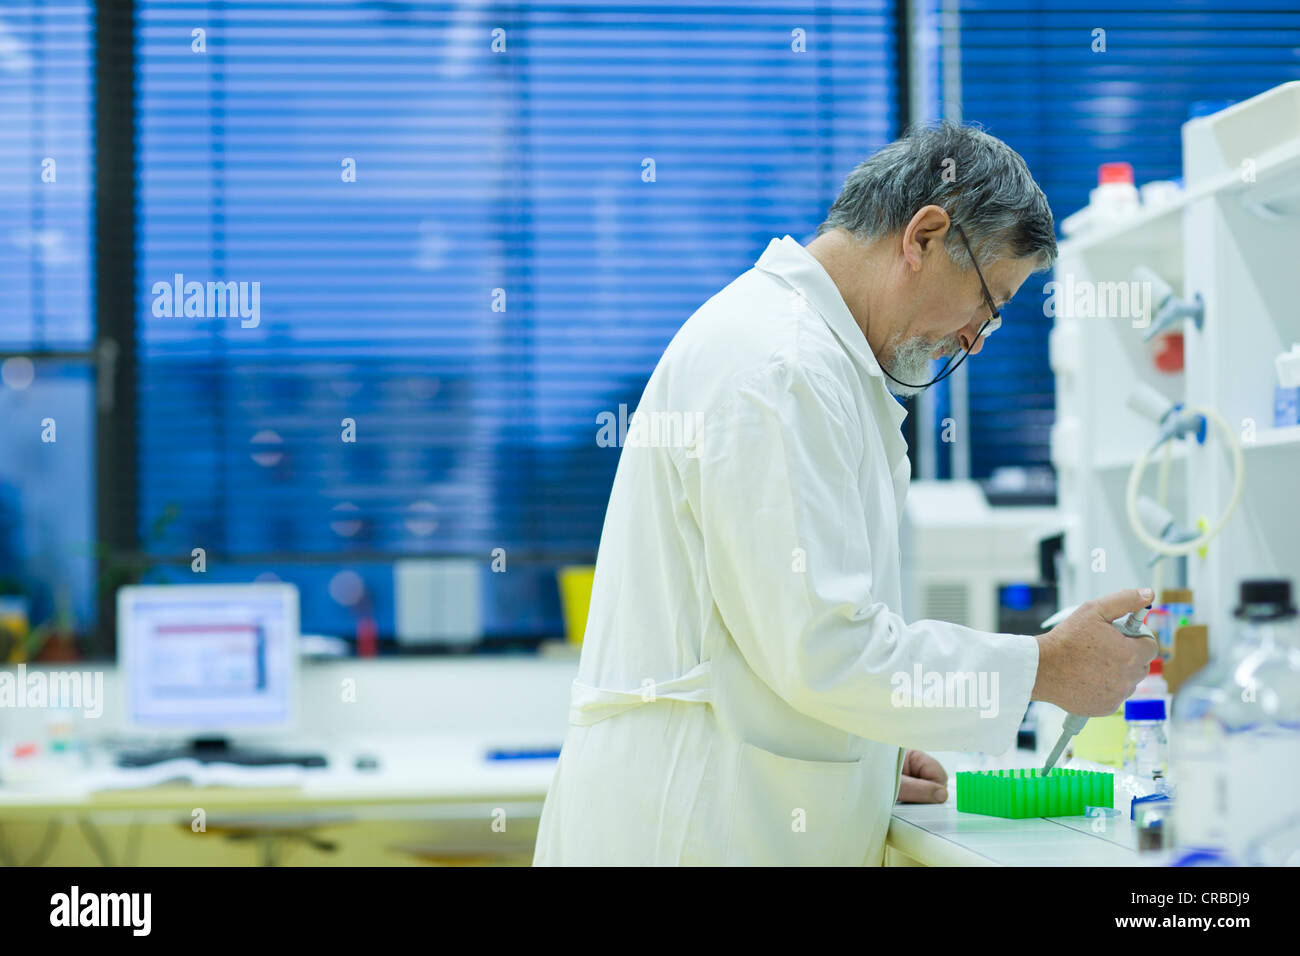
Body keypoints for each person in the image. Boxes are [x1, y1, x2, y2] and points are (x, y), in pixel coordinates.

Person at [533, 121, 1157, 866]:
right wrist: (1044, 667)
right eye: (990, 302)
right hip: (693, 827)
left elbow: (774, 638)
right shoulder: (780, 366)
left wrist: (869, 754)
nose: (975, 337)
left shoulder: (808, 357)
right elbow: (822, 645)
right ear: (925, 235)